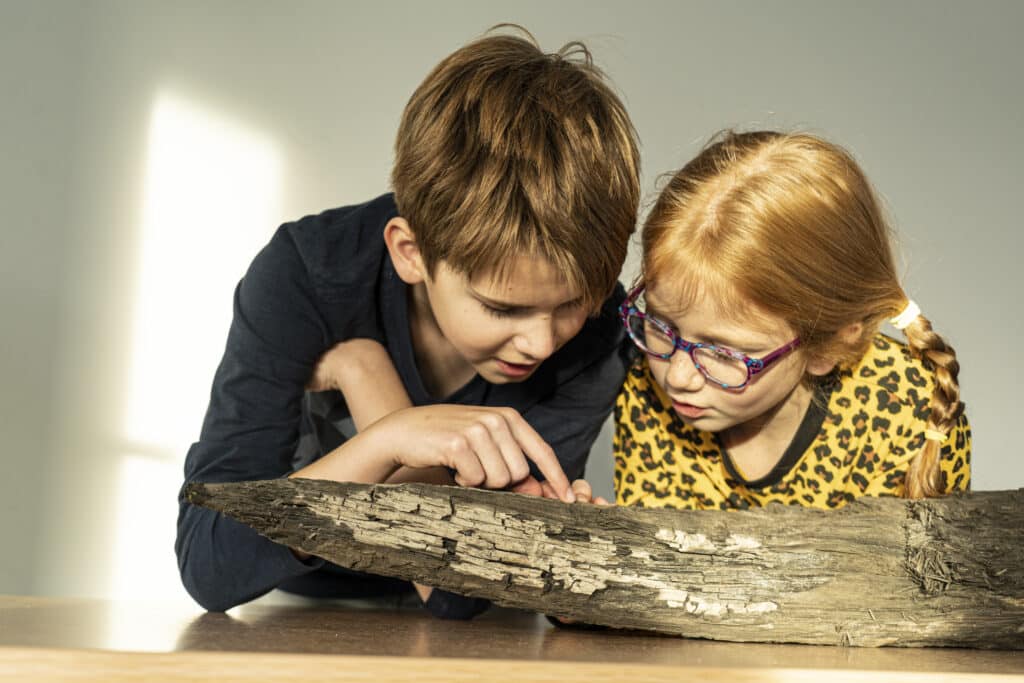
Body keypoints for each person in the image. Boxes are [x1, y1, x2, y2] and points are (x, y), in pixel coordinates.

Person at [176, 27, 641, 617]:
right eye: (501, 307)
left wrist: (366, 377)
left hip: (463, 647)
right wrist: (391, 439)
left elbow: (457, 596)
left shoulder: (600, 338)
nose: (543, 341)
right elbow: (211, 566)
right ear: (410, 253)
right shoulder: (306, 275)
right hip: (301, 615)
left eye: (574, 302)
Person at [614, 130, 970, 511]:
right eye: (661, 325)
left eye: (722, 351)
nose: (677, 376)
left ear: (828, 345)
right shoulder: (648, 391)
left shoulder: (908, 413)